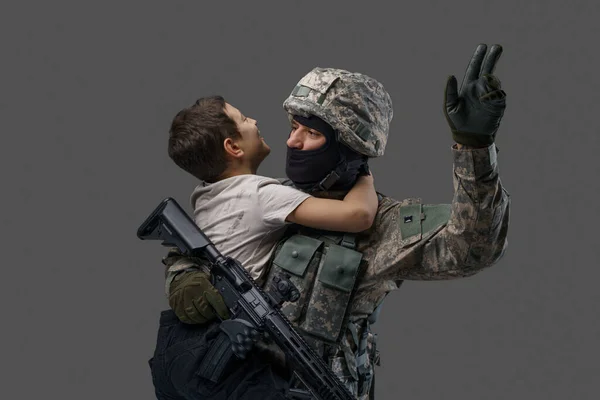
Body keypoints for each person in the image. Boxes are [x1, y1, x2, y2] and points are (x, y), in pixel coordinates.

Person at [148, 43, 511, 400]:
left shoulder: (383, 224)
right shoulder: (275, 198)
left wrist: (475, 148)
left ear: (349, 147)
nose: (292, 141)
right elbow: (213, 240)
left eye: (313, 132)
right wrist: (183, 273)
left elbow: (473, 247)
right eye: (293, 126)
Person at [166, 96, 378, 284]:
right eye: (244, 119)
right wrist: (363, 173)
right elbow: (359, 216)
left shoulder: (205, 195)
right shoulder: (260, 196)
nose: (254, 121)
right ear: (234, 148)